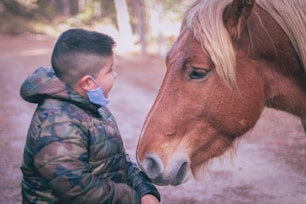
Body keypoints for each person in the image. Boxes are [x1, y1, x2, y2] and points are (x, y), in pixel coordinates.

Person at [20, 28, 160, 204]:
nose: (115, 75)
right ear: (87, 82)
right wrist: (131, 198)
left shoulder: (94, 107)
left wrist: (144, 190)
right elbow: (76, 189)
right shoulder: (57, 123)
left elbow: (117, 160)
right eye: (110, 71)